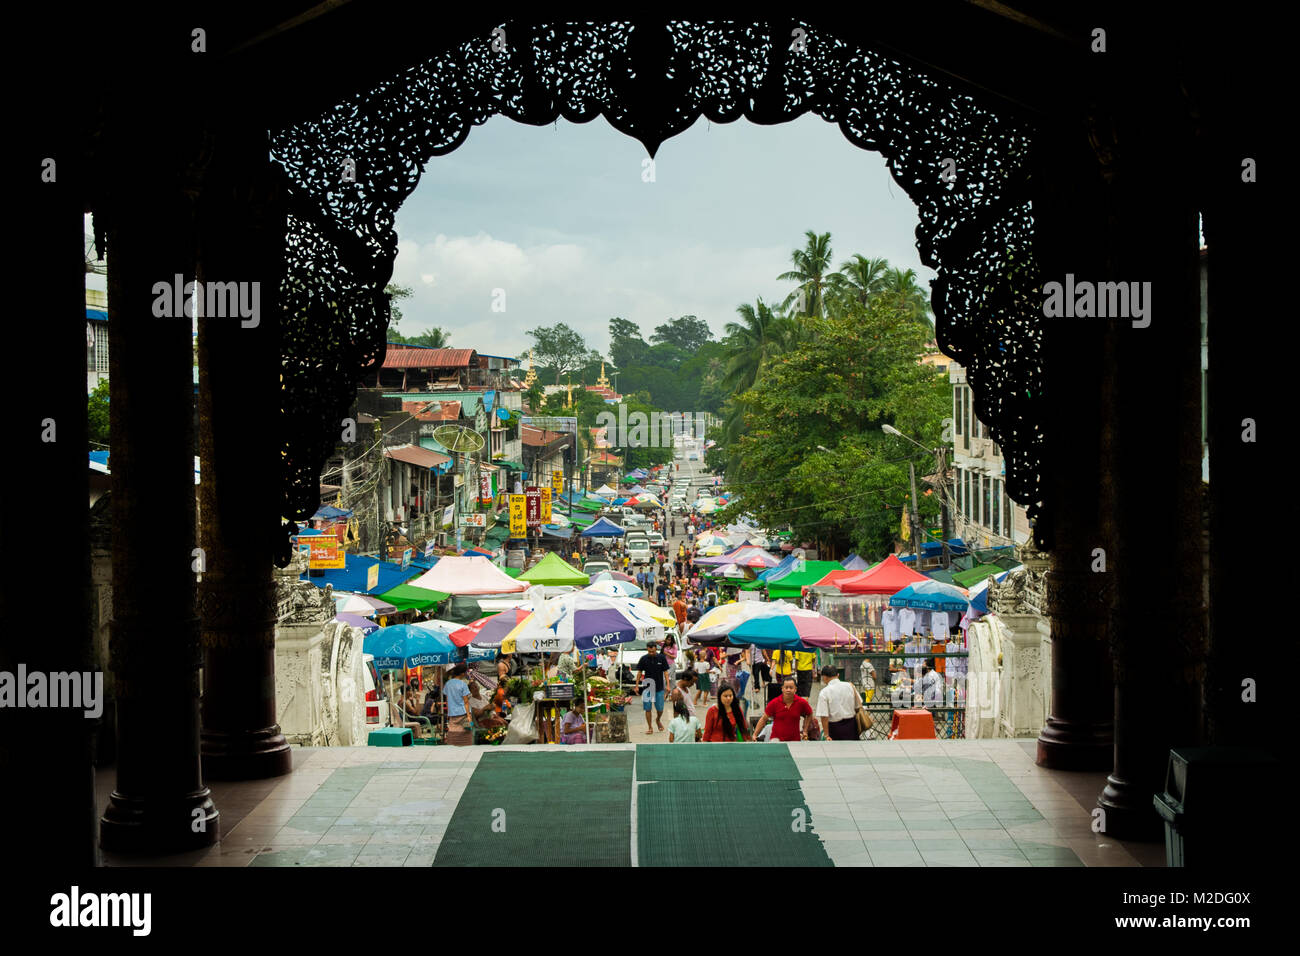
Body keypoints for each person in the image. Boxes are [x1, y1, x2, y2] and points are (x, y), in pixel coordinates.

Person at [752, 676, 814, 742]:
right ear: (782, 689)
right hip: (776, 741)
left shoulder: (801, 702)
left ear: (795, 689)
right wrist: (755, 734)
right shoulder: (774, 703)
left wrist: (805, 730)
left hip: (795, 741)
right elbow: (764, 719)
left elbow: (810, 713)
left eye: (791, 688)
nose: (788, 690)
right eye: (786, 687)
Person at [815, 665, 861, 741]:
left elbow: (824, 716)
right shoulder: (850, 686)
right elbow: (858, 705)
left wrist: (826, 735)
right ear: (838, 675)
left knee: (836, 751)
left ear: (824, 677)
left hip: (835, 728)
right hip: (852, 726)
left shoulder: (824, 692)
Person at [635, 640, 671, 734]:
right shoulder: (643, 658)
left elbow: (666, 672)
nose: (651, 653)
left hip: (659, 686)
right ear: (647, 649)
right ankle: (650, 727)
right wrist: (637, 686)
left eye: (653, 651)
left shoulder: (662, 658)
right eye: (649, 651)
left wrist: (668, 685)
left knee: (660, 709)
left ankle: (658, 720)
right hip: (647, 685)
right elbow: (639, 672)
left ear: (656, 649)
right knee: (648, 708)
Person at [443, 665, 473, 746]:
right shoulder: (463, 684)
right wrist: (469, 716)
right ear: (462, 674)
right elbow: (466, 702)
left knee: (452, 730)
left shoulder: (447, 684)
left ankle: (453, 746)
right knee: (468, 730)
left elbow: (447, 699)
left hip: (452, 713)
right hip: (463, 713)